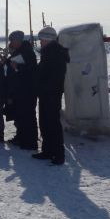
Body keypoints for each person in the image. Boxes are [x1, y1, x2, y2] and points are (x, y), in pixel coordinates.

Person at [33, 26, 70, 165]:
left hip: (51, 94)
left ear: (48, 39)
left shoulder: (55, 54)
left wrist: (43, 87)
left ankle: (58, 154)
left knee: (53, 124)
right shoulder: (48, 53)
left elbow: (54, 77)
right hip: (45, 94)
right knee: (44, 123)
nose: (40, 42)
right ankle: (47, 151)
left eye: (42, 39)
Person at [5, 30, 38, 150]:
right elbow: (13, 65)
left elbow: (30, 71)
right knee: (20, 116)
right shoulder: (19, 52)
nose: (11, 43)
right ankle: (21, 138)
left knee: (28, 116)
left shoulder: (28, 52)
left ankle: (30, 142)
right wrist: (6, 62)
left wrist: (17, 67)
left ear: (18, 40)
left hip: (27, 90)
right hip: (19, 90)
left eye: (12, 40)